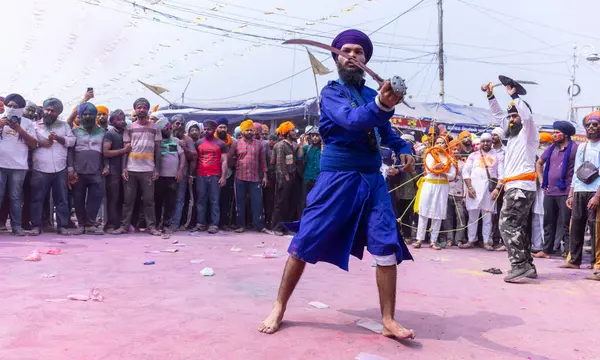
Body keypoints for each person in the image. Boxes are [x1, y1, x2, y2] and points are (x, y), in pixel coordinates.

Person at [258, 29, 416, 339]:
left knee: (386, 245)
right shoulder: (331, 93)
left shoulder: (373, 94)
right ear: (337, 58)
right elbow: (353, 121)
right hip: (336, 179)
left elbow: (388, 133)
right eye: (347, 51)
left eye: (359, 51)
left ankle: (388, 320)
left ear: (366, 59)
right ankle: (279, 305)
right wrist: (382, 107)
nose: (353, 55)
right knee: (306, 241)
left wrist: (404, 149)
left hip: (372, 180)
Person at [483, 77, 538, 283]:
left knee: (507, 225)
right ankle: (528, 265)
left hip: (521, 187)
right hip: (515, 186)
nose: (511, 119)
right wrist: (490, 95)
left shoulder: (529, 133)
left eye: (515, 116)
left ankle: (519, 265)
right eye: (511, 117)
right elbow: (499, 116)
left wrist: (514, 95)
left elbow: (525, 115)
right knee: (519, 227)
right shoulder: (513, 137)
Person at [114, 98, 163, 236]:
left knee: (149, 200)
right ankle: (124, 226)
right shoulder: (129, 128)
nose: (141, 110)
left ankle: (151, 227)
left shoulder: (155, 128)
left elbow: (158, 151)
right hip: (131, 169)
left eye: (144, 107)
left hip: (148, 170)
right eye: (139, 107)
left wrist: (157, 169)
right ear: (135, 110)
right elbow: (126, 149)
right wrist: (124, 168)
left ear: (148, 110)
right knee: (128, 200)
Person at [560, 111, 600, 271]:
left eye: (595, 124)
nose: (591, 127)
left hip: (595, 191)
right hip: (579, 191)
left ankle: (596, 263)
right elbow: (577, 171)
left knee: (596, 227)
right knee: (576, 225)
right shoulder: (582, 147)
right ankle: (574, 260)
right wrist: (571, 194)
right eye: (588, 125)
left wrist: (597, 196)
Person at [30, 98, 75, 235]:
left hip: (60, 169)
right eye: (47, 109)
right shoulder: (34, 125)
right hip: (40, 168)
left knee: (61, 199)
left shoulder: (64, 126)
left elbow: (72, 141)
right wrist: (43, 142)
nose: (49, 112)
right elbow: (31, 142)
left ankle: (62, 226)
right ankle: (36, 226)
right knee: (37, 199)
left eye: (53, 111)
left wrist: (58, 139)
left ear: (58, 113)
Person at [533, 121, 577, 259]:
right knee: (548, 222)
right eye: (554, 132)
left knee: (566, 224)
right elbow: (539, 163)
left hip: (566, 192)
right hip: (550, 192)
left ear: (565, 135)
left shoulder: (575, 149)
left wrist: (573, 191)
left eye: (558, 132)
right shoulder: (551, 149)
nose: (554, 135)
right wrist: (541, 181)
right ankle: (547, 251)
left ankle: (570, 253)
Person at [0, 94, 38, 236]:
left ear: (22, 109)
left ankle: (17, 228)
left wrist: (19, 129)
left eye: (15, 107)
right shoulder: (0, 119)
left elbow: (34, 144)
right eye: (9, 105)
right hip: (0, 165)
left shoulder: (28, 123)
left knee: (15, 198)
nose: (11, 108)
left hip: (18, 167)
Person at [460, 133, 504, 250]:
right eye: (483, 141)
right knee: (472, 217)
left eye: (488, 141)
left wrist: (497, 189)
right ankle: (470, 241)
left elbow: (501, 174)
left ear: (491, 142)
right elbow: (465, 172)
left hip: (489, 191)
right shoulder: (473, 155)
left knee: (487, 217)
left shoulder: (498, 156)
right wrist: (469, 187)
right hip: (473, 190)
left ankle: (486, 242)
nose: (485, 143)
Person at [68, 102, 106, 235]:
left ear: (95, 116)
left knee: (95, 199)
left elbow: (105, 151)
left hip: (96, 171)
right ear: (80, 116)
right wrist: (70, 168)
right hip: (79, 171)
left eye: (91, 114)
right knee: (78, 199)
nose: (88, 116)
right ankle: (81, 224)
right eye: (85, 114)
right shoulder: (74, 132)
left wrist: (105, 166)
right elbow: (70, 152)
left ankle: (90, 224)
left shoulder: (103, 132)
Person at [413, 136, 456, 250]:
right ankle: (419, 239)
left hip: (442, 187)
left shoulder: (450, 158)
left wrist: (443, 173)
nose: (439, 145)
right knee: (424, 212)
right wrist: (436, 168)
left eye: (442, 143)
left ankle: (433, 241)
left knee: (438, 213)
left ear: (446, 145)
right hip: (429, 185)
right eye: (437, 142)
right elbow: (428, 171)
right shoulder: (430, 155)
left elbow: (452, 175)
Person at [229, 120, 268, 233]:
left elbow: (263, 161)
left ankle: (259, 226)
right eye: (247, 130)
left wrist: (265, 176)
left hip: (255, 178)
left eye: (251, 129)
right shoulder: (236, 143)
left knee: (257, 202)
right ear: (242, 131)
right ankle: (241, 225)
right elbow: (230, 158)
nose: (249, 131)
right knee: (240, 203)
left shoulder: (259, 144)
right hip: (240, 177)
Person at [191, 120, 227, 234]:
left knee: (214, 201)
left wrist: (224, 177)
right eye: (205, 129)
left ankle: (214, 224)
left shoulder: (221, 144)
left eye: (209, 129)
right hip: (201, 175)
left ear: (214, 129)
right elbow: (195, 160)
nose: (206, 131)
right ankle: (200, 223)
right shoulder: (198, 143)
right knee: (201, 200)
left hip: (215, 176)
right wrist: (192, 174)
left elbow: (224, 161)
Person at [154, 118, 185, 233]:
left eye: (169, 128)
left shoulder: (176, 141)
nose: (168, 130)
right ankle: (156, 224)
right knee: (158, 201)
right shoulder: (157, 141)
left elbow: (182, 156)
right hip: (159, 176)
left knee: (170, 202)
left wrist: (180, 170)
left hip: (173, 177)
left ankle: (166, 224)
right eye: (166, 128)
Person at [102, 109, 130, 233]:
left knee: (124, 199)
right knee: (113, 198)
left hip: (126, 170)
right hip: (113, 171)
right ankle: (110, 225)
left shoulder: (127, 133)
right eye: (118, 119)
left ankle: (122, 224)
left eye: (123, 118)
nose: (122, 121)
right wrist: (123, 150)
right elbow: (106, 152)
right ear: (112, 121)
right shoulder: (110, 133)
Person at [270, 121, 300, 235]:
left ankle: (286, 227)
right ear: (287, 133)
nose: (294, 132)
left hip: (292, 177)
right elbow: (280, 164)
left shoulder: (292, 145)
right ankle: (277, 227)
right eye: (292, 130)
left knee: (290, 203)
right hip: (284, 179)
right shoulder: (281, 145)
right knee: (280, 203)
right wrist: (285, 177)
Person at [170, 114, 198, 231]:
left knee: (180, 199)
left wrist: (184, 147)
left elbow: (193, 156)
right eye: (177, 123)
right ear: (172, 125)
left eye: (182, 124)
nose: (179, 126)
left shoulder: (188, 139)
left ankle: (175, 224)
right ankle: (164, 222)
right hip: (167, 174)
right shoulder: (166, 136)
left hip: (183, 174)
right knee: (167, 199)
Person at [441, 144, 467, 247]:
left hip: (459, 194)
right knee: (447, 217)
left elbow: (466, 180)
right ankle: (450, 239)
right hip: (447, 193)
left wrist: (465, 195)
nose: (456, 151)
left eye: (458, 149)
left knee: (461, 216)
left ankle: (459, 239)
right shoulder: (446, 162)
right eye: (453, 149)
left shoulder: (463, 164)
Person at [215, 117, 236, 230]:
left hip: (228, 173)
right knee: (214, 199)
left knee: (225, 199)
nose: (222, 129)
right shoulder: (212, 140)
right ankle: (213, 222)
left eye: (224, 127)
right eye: (220, 127)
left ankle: (223, 223)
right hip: (213, 173)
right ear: (216, 128)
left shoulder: (232, 142)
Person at [297, 126, 322, 210]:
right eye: (313, 135)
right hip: (307, 178)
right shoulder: (306, 148)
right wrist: (301, 143)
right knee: (305, 201)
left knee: (317, 201)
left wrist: (323, 145)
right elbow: (299, 157)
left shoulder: (323, 149)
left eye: (317, 135)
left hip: (319, 180)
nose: (315, 137)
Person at [490, 127, 506, 250]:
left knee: (500, 213)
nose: (493, 137)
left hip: (502, 185)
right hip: (489, 185)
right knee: (490, 213)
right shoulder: (488, 151)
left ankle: (499, 239)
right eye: (492, 135)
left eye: (496, 135)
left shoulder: (505, 151)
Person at [263, 133, 278, 229]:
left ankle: (272, 220)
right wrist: (265, 178)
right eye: (270, 139)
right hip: (267, 177)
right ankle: (266, 221)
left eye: (274, 140)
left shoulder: (278, 149)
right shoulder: (265, 150)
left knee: (273, 200)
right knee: (266, 200)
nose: (271, 141)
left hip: (276, 177)